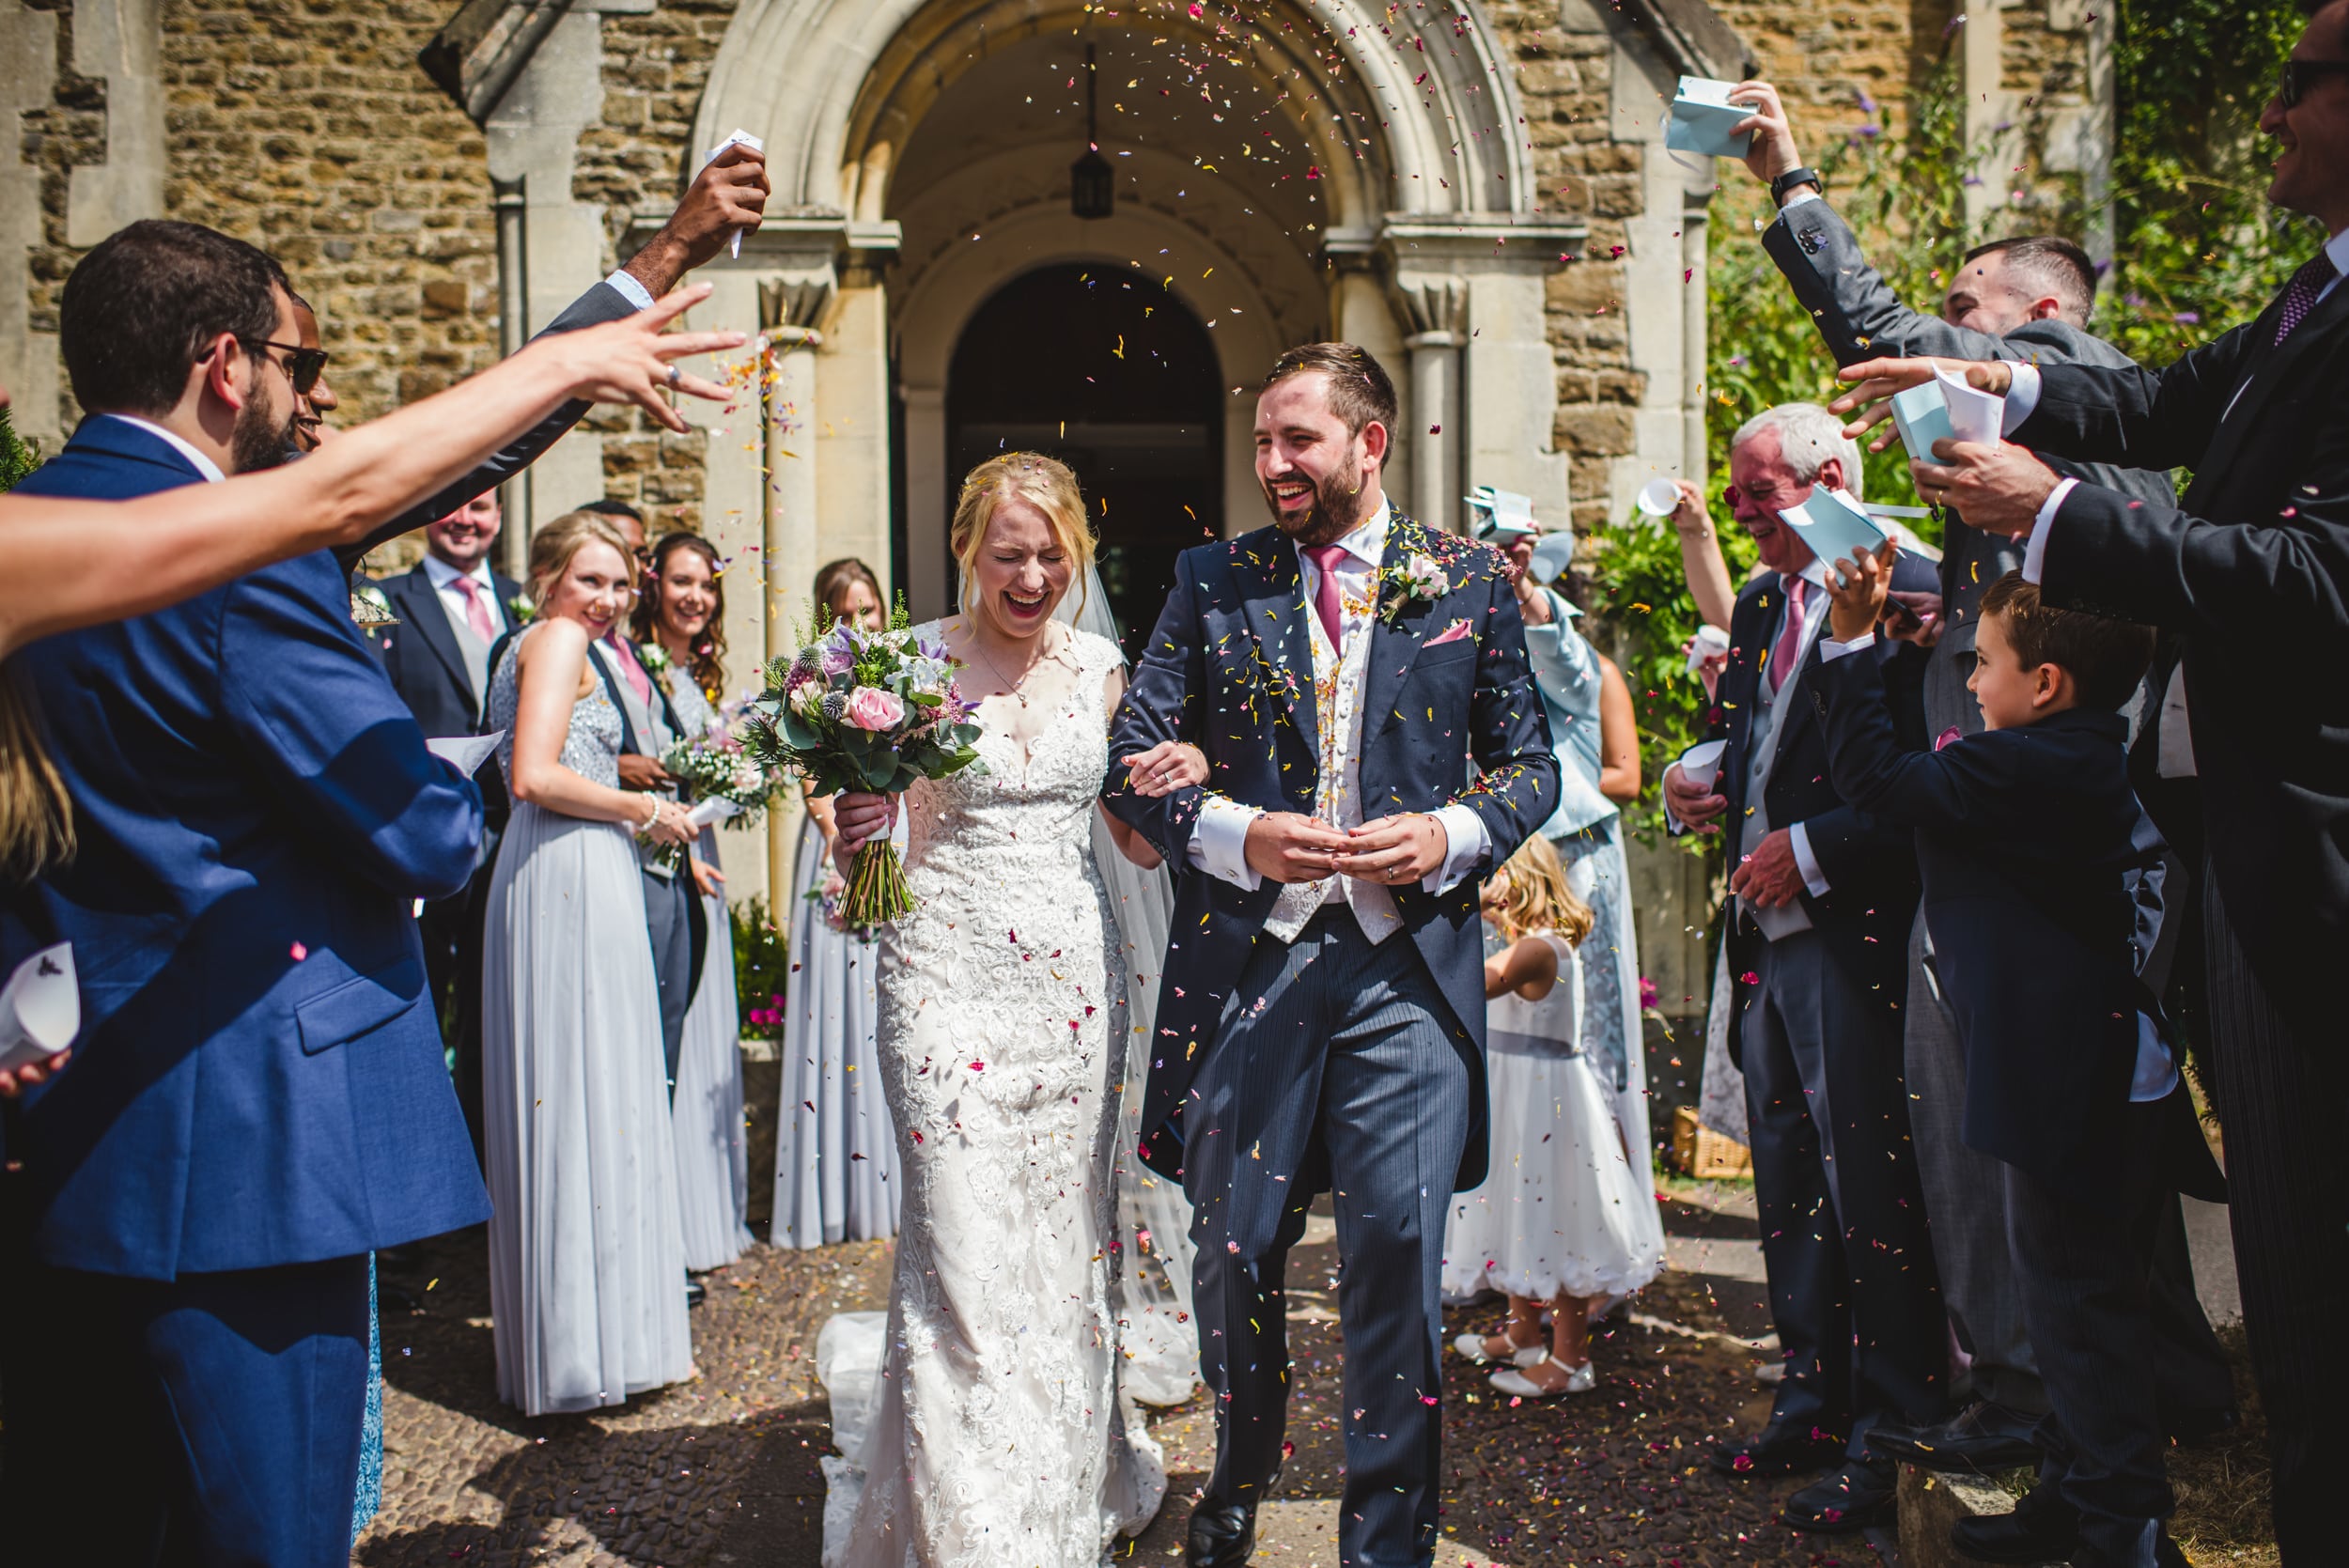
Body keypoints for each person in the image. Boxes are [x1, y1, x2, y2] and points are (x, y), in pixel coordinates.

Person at [0, 220, 726, 1560]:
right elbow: (418, 832)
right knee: (267, 1529)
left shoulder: (40, 528)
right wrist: (480, 785)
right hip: (252, 1145)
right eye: (302, 361)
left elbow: (392, 480)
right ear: (227, 365)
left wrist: (636, 276)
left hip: (67, 1116)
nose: (321, 394)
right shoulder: (244, 561)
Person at [1829, 8, 2349, 1548]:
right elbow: (2158, 400)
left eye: (2299, 84)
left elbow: (2323, 578)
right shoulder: (2315, 301)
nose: (2267, 119)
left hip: (2316, 850)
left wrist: (2052, 520)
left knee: (2318, 1267)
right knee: (2298, 1283)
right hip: (2259, 856)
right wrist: (1986, 379)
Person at [1721, 79, 2239, 1466]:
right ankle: (2160, 1394)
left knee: (2003, 1140)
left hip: (2017, 853)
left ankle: (2035, 1408)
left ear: (2029, 318)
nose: (1944, 329)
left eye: (1968, 302)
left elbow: (1878, 335)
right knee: (2085, 1164)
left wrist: (1787, 178)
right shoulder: (2071, 465)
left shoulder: (2060, 393)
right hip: (2060, 842)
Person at [1100, 343, 1561, 1568]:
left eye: (1298, 439)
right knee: (1235, 1247)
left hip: (1405, 974)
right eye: (1262, 441)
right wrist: (1239, 833)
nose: (1273, 463)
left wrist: (1449, 831)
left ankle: (1388, 1542)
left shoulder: (1464, 582)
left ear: (1371, 441)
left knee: (1396, 1259)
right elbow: (1132, 760)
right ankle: (1237, 1484)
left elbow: (1532, 767)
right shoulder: (1213, 579)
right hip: (1253, 967)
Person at [822, 454, 1185, 1565]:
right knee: (961, 1238)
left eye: (1050, 554)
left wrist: (1175, 779)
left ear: (1076, 555)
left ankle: (1066, 1470)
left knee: (1061, 1235)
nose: (1030, 575)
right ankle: (970, 1527)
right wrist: (856, 830)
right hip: (941, 976)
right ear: (967, 550)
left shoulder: (1102, 669)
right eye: (1008, 553)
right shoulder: (905, 669)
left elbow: (1126, 837)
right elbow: (866, 857)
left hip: (1074, 986)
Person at [1811, 552, 2205, 1567]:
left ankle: (2124, 1526)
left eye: (1981, 661)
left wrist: (1851, 643)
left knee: (2076, 1305)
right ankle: (2076, 1494)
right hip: (2095, 1064)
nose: (1969, 680)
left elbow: (1879, 783)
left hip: (2063, 1075)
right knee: (2071, 1294)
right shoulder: (2073, 749)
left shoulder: (2023, 761)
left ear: (2045, 682)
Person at [1660, 402, 1948, 1532]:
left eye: (1760, 496)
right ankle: (1811, 1397)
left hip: (1852, 933)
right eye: (1734, 499)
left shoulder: (1915, 583)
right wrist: (1703, 772)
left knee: (1870, 1188)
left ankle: (1894, 1430)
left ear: (1832, 476)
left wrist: (1814, 849)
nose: (1744, 519)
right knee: (1785, 1184)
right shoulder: (1769, 595)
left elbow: (1937, 769)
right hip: (1761, 943)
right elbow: (1766, 735)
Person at [480, 508, 699, 1416]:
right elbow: (533, 772)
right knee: (587, 1093)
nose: (608, 601)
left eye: (620, 584)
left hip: (550, 864)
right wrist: (643, 811)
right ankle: (592, 1347)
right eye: (590, 581)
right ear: (548, 580)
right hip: (569, 865)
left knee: (571, 1096)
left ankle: (577, 1340)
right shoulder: (560, 639)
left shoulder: (520, 643)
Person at [1445, 834, 1663, 1399]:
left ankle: (1569, 1360)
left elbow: (1468, 982)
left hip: (1546, 1106)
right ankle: (1522, 1334)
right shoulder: (1529, 942)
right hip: (1520, 1099)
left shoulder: (1538, 950)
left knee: (1554, 1224)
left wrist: (1457, 908)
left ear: (1515, 883)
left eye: (1487, 873)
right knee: (1519, 1219)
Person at [1492, 512, 1659, 1213]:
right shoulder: (1491, 677)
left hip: (1576, 859)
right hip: (1509, 866)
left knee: (1585, 1034)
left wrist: (1536, 794)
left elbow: (1625, 777)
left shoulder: (1591, 670)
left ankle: (1599, 1211)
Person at [376, 491, 524, 1153]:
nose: (465, 519)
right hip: (423, 834)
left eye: (482, 507)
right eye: (449, 506)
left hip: (515, 834)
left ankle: (491, 1165)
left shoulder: (525, 601)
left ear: (499, 517)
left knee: (500, 1009)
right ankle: (418, 1173)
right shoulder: (383, 600)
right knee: (422, 1004)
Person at [631, 530, 756, 1273]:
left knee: (699, 1019)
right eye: (682, 581)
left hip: (695, 852)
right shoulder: (636, 670)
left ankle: (700, 1216)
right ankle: (665, 1226)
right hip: (656, 853)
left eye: (706, 584)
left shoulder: (698, 678)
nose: (695, 597)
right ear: (655, 586)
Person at [772, 556, 901, 1250]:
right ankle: (837, 1194)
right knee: (839, 1009)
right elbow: (809, 776)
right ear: (827, 618)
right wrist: (839, 849)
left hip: (885, 839)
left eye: (870, 609)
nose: (860, 624)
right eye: (845, 613)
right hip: (834, 845)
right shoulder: (807, 680)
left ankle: (892, 1182)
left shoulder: (904, 675)